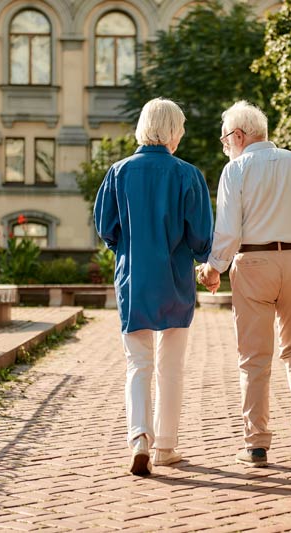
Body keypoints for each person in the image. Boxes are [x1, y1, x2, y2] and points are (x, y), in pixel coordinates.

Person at [198, 101, 291, 467]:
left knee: (254, 358)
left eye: (225, 140)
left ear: (239, 136)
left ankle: (256, 444)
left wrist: (213, 269)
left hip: (253, 262)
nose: (225, 147)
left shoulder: (236, 169)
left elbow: (228, 230)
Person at [94, 98, 213, 476]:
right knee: (171, 366)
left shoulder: (118, 172)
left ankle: (139, 439)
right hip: (174, 279)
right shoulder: (187, 174)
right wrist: (204, 260)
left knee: (138, 364)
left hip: (134, 278)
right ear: (173, 131)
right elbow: (201, 236)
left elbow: (105, 226)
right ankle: (165, 445)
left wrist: (126, 248)